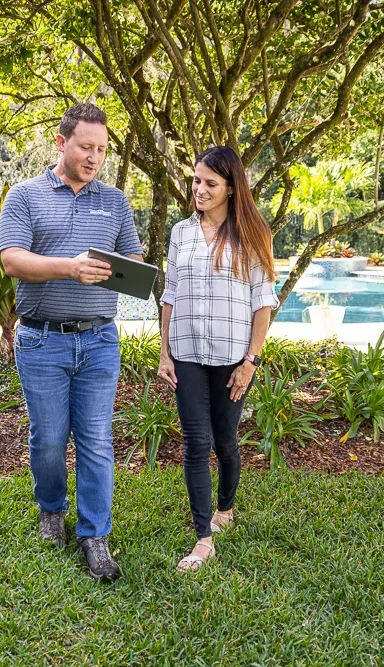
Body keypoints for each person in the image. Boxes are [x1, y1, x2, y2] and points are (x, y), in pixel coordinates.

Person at [0, 103, 144, 582]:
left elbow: (133, 261)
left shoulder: (115, 201)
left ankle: (95, 535)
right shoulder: (25, 196)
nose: (95, 157)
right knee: (49, 439)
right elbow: (13, 261)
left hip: (100, 340)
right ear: (61, 143)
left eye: (102, 149)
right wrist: (70, 265)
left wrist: (126, 271)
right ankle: (50, 509)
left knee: (97, 440)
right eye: (86, 147)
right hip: (42, 341)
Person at [156, 145, 278, 572]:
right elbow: (169, 294)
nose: (199, 189)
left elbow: (263, 302)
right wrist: (164, 350)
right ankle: (203, 538)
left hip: (231, 355)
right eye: (195, 181)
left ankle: (225, 508)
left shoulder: (252, 234)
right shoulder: (180, 233)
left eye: (210, 183)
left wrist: (251, 360)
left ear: (230, 187)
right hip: (187, 351)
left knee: (225, 440)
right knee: (195, 443)